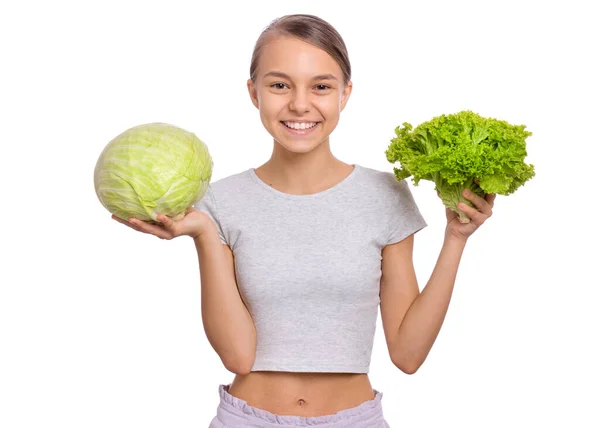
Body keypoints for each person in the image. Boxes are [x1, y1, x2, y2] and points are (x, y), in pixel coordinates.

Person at [112, 13, 495, 428]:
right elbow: (238, 356)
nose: (299, 104)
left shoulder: (385, 194)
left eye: (321, 87)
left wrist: (456, 238)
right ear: (253, 92)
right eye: (279, 85)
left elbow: (407, 354)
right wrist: (204, 234)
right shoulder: (219, 202)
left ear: (345, 94)